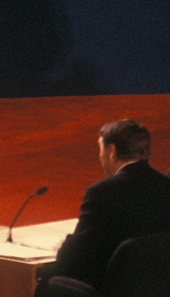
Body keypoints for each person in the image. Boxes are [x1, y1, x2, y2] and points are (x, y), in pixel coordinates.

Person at [34, 119, 170, 295]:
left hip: (110, 287)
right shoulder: (166, 185)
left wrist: (64, 247)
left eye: (100, 148)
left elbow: (75, 256)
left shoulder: (102, 192)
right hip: (154, 287)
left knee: (47, 279)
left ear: (111, 151)